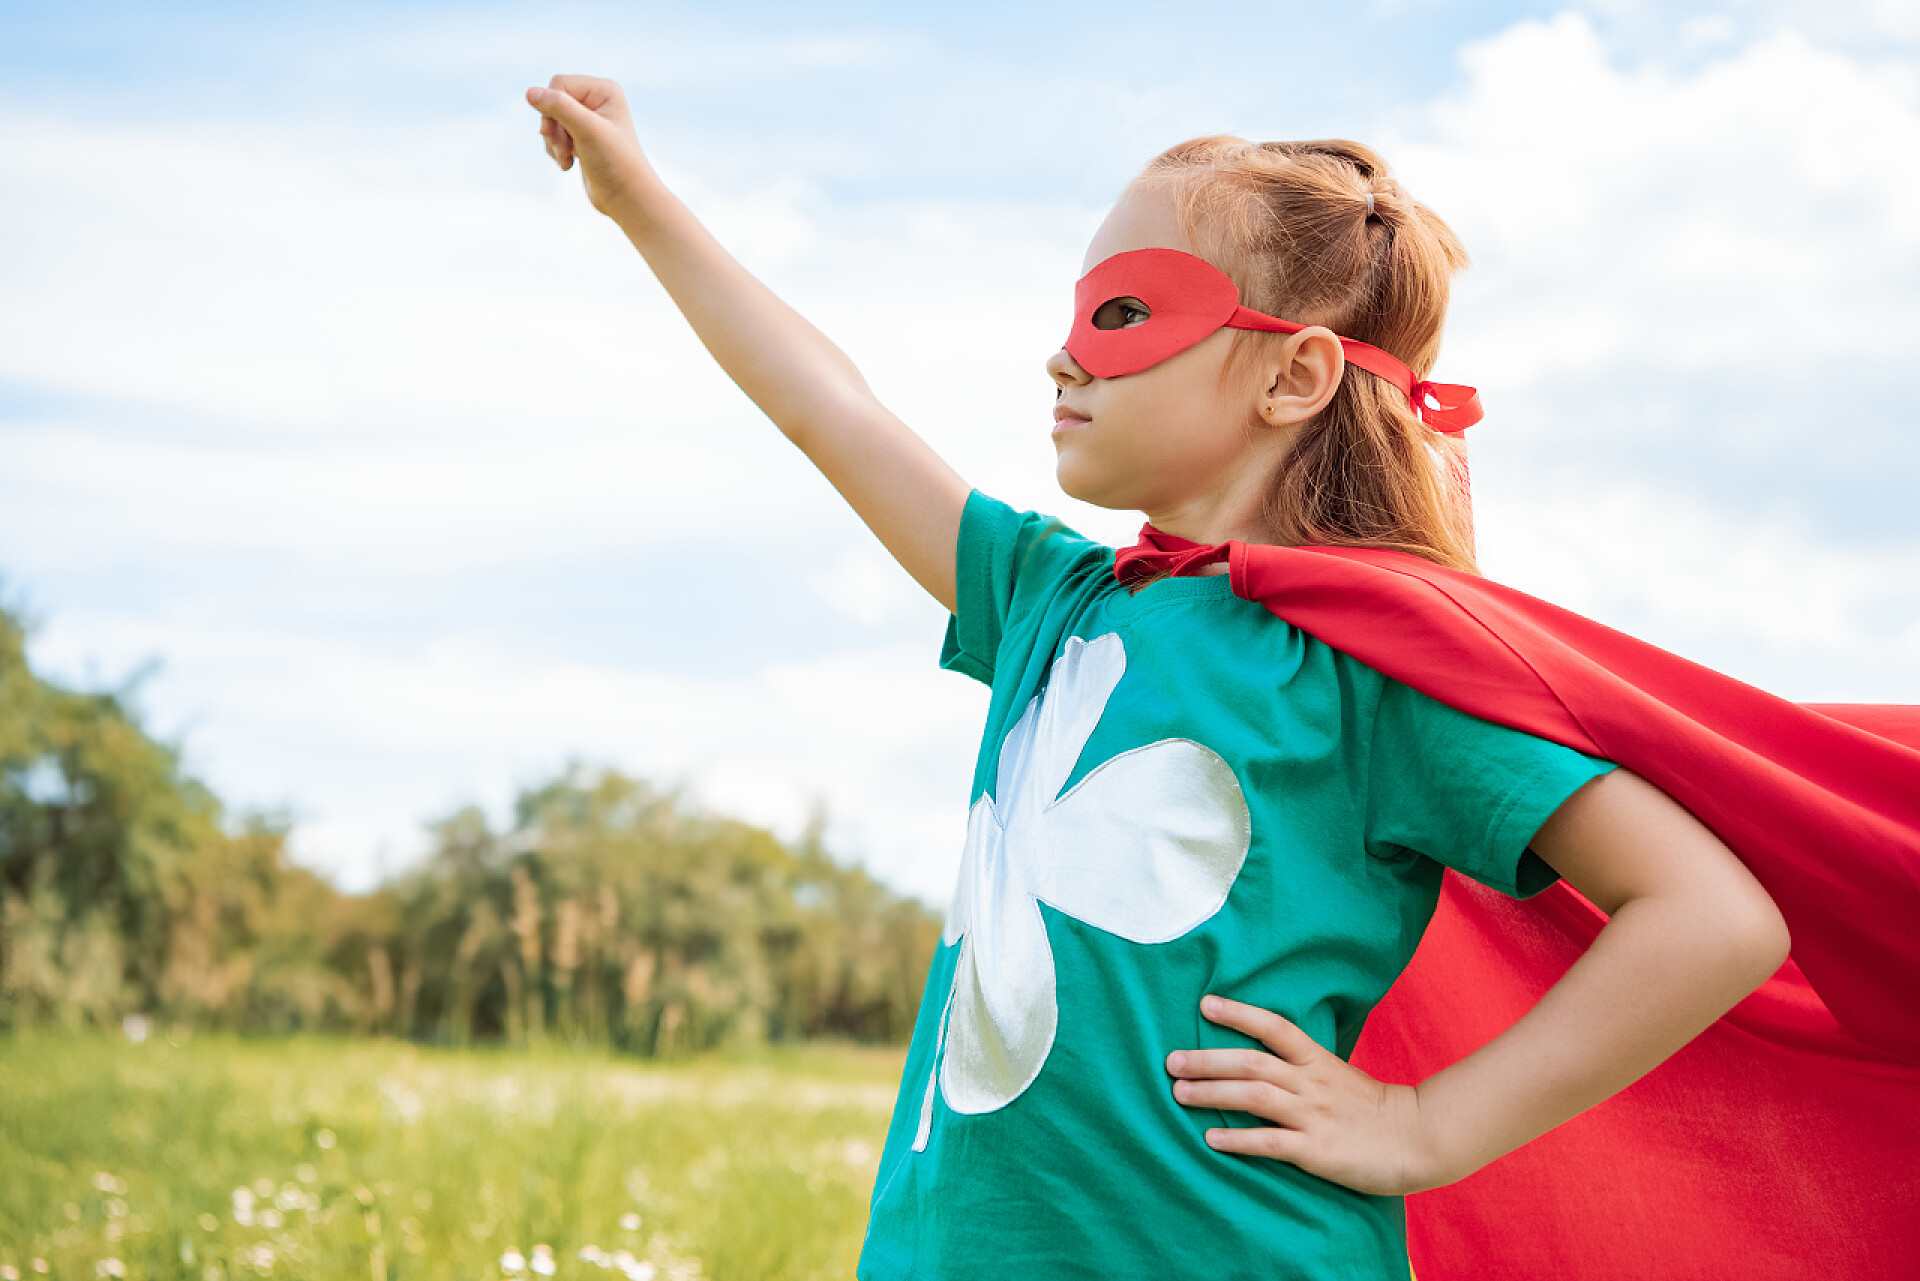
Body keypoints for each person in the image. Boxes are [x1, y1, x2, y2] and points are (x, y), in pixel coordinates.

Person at [520, 77, 1806, 1280]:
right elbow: (831, 409)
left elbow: (1712, 916)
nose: (1063, 356)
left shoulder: (1374, 664)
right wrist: (639, 202)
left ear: (1294, 375)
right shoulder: (1049, 600)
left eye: (1123, 314)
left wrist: (1426, 1127)